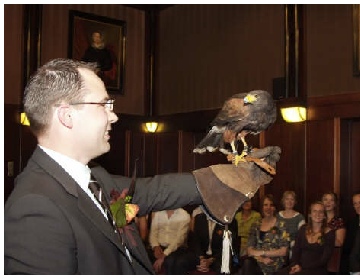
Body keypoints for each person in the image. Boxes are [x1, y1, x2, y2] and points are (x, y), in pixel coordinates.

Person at [4, 58, 279, 275]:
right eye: (103, 104)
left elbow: (155, 190)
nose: (113, 115)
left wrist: (234, 174)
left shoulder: (95, 177)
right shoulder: (35, 208)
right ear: (66, 116)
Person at [277, 201, 335, 275]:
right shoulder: (303, 229)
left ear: (324, 215)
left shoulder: (329, 233)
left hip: (317, 270)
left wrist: (302, 267)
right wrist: (295, 264)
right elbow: (296, 250)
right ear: (310, 214)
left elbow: (324, 259)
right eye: (314, 211)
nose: (317, 214)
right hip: (298, 266)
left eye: (320, 212)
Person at [239, 194, 290, 274]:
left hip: (274, 262)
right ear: (262, 208)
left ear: (275, 208)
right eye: (265, 205)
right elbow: (249, 250)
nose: (268, 208)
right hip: (258, 262)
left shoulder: (281, 225)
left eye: (271, 205)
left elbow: (284, 251)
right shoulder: (255, 225)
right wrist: (262, 258)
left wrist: (264, 253)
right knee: (247, 263)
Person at [148, 208, 191, 274]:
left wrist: (164, 254)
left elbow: (179, 239)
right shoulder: (158, 213)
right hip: (159, 246)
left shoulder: (184, 215)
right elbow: (153, 232)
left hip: (175, 249)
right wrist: (155, 246)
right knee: (143, 256)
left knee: (170, 261)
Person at [340, 190, 360, 274]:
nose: (358, 206)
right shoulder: (350, 223)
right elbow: (347, 251)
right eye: (355, 204)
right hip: (355, 269)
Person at [321, 191, 346, 273]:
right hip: (315, 255)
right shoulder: (318, 219)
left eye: (331, 200)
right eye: (325, 200)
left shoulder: (338, 221)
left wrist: (323, 237)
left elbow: (339, 242)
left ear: (335, 203)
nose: (328, 202)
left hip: (330, 258)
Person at [277, 190, 305, 259]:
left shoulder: (300, 217)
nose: (289, 202)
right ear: (283, 201)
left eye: (292, 199)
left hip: (293, 247)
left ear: (295, 202)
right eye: (287, 199)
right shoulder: (277, 216)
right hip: (278, 246)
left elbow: (302, 237)